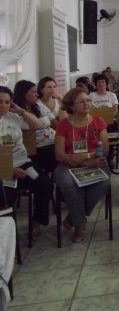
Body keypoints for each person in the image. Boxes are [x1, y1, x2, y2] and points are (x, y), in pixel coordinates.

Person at [54, 88, 111, 243]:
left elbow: (104, 148)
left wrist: (86, 159)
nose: (87, 103)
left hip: (94, 162)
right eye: (82, 101)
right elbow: (59, 154)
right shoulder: (64, 125)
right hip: (68, 164)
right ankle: (80, 225)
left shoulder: (98, 121)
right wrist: (79, 161)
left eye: (88, 100)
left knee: (104, 181)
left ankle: (74, 216)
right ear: (72, 106)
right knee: (67, 182)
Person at [0, 85, 52, 240]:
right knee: (5, 196)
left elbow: (39, 125)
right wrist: (11, 169)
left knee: (44, 184)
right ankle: (7, 237)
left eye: (7, 102)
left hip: (22, 162)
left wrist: (21, 112)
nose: (3, 106)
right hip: (3, 169)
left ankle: (38, 221)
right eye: (0, 102)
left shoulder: (12, 118)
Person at [14, 79, 58, 171]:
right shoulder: (15, 113)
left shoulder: (38, 106)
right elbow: (39, 125)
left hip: (51, 142)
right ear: (23, 93)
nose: (37, 95)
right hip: (36, 148)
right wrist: (23, 112)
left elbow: (54, 123)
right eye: (33, 92)